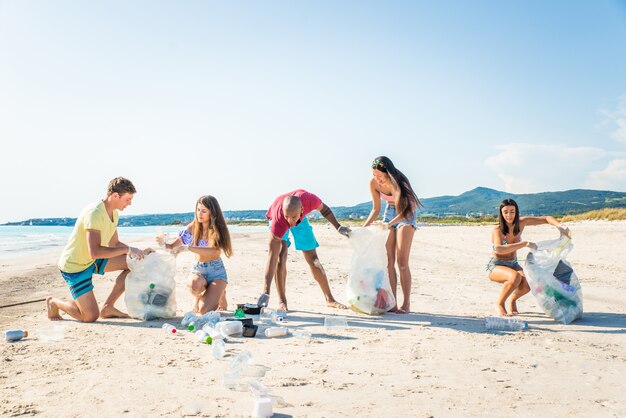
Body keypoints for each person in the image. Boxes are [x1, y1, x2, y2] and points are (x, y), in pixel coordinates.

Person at [47, 177, 153, 322]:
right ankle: (54, 302)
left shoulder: (114, 213)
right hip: (75, 266)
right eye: (127, 199)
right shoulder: (95, 213)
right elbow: (95, 252)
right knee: (89, 316)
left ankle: (108, 307)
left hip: (93, 260)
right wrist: (128, 250)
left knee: (135, 263)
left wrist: (137, 252)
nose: (130, 203)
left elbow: (114, 244)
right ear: (115, 196)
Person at [257, 189, 351, 311]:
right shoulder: (280, 220)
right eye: (287, 217)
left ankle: (330, 299)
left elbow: (325, 210)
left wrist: (338, 227)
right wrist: (266, 292)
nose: (290, 222)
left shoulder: (310, 200)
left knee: (313, 259)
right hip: (280, 217)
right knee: (281, 255)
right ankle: (282, 302)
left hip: (300, 219)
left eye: (293, 217)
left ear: (302, 209)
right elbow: (272, 258)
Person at [488, 198, 570, 316]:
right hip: (496, 265)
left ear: (516, 212)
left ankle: (512, 300)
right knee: (515, 277)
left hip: (513, 264)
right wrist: (524, 243)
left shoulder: (521, 223)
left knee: (527, 283)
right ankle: (500, 304)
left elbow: (546, 218)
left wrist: (560, 226)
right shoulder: (497, 230)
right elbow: (499, 249)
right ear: (501, 213)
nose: (509, 215)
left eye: (512, 211)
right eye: (505, 212)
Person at [363, 156, 422, 313]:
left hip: (406, 215)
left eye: (379, 175)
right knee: (389, 262)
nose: (377, 179)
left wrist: (388, 225)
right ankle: (392, 303)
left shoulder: (399, 182)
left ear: (387, 172)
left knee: (402, 263)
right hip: (389, 213)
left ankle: (406, 304)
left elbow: (410, 209)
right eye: (374, 175)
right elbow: (375, 209)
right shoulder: (373, 183)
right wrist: (363, 228)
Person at [157, 195, 232, 314]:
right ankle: (200, 297)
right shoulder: (192, 228)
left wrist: (188, 247)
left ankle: (220, 292)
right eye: (198, 210)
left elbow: (214, 251)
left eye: (203, 211)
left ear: (212, 212)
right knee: (194, 285)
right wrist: (162, 243)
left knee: (203, 311)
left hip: (216, 271)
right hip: (199, 269)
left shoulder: (217, 229)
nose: (199, 214)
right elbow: (172, 247)